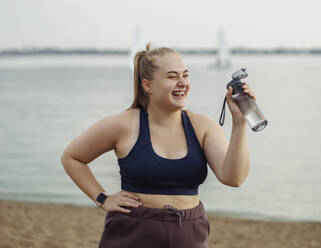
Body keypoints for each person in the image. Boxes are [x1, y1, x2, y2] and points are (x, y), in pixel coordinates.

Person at [60, 43, 256, 248]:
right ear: (148, 85)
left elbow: (234, 178)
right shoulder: (123, 124)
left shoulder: (202, 126)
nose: (183, 83)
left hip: (189, 233)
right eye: (172, 76)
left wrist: (240, 122)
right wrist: (103, 198)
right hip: (132, 232)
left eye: (185, 75)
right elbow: (72, 157)